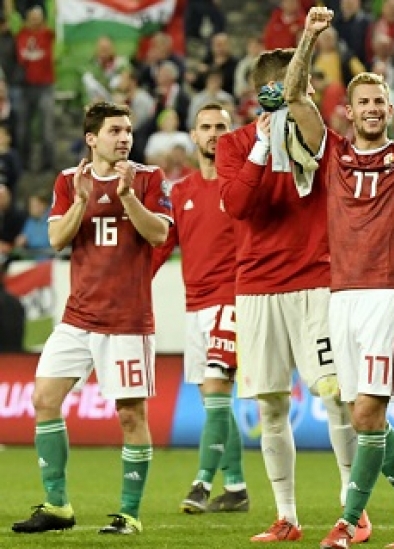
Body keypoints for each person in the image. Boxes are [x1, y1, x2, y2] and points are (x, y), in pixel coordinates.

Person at [283, 4, 394, 548]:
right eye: (362, 102)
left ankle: (347, 522)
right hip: (342, 295)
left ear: (389, 108)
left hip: (387, 292)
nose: (372, 109)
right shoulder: (332, 153)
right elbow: (294, 97)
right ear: (348, 111)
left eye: (379, 101)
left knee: (368, 409)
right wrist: (309, 36)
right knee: (363, 417)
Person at [217, 51, 368, 542]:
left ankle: (353, 510)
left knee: (336, 396)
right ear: (270, 91)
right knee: (270, 408)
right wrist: (262, 149)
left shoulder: (320, 140)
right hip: (257, 288)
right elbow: (238, 205)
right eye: (300, 85)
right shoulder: (234, 144)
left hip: (316, 282)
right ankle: (287, 517)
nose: (311, 93)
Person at [11, 102, 171, 535]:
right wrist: (81, 201)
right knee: (44, 399)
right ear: (91, 139)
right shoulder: (69, 180)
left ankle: (129, 514)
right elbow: (56, 239)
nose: (124, 138)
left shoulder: (149, 178)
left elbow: (160, 234)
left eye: (128, 131)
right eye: (115, 131)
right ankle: (58, 506)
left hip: (127, 320)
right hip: (78, 318)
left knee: (130, 415)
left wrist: (128, 196)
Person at [150, 103, 249, 514]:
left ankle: (201, 484)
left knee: (216, 390)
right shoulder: (181, 192)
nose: (213, 133)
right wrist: (136, 283)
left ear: (232, 134)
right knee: (214, 401)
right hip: (195, 307)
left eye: (221, 127)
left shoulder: (241, 188)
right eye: (206, 127)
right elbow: (161, 248)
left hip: (232, 301)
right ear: (193, 135)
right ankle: (237, 488)